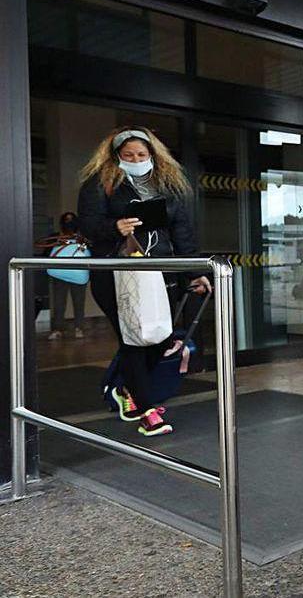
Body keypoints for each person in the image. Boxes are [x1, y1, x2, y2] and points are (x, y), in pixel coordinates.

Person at [78, 126, 208, 437]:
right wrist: (116, 226)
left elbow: (182, 233)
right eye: (128, 155)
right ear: (116, 156)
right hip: (117, 274)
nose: (136, 159)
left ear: (152, 154)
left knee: (159, 338)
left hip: (161, 273)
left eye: (141, 154)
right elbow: (89, 225)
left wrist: (194, 271)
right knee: (133, 339)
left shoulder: (168, 184)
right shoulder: (101, 184)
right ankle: (148, 411)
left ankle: (125, 390)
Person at [39, 212, 89, 340]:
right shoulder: (55, 238)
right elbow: (46, 253)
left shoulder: (82, 238)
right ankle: (58, 329)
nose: (69, 225)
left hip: (77, 273)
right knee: (59, 303)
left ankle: (79, 328)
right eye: (67, 222)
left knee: (78, 302)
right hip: (60, 274)